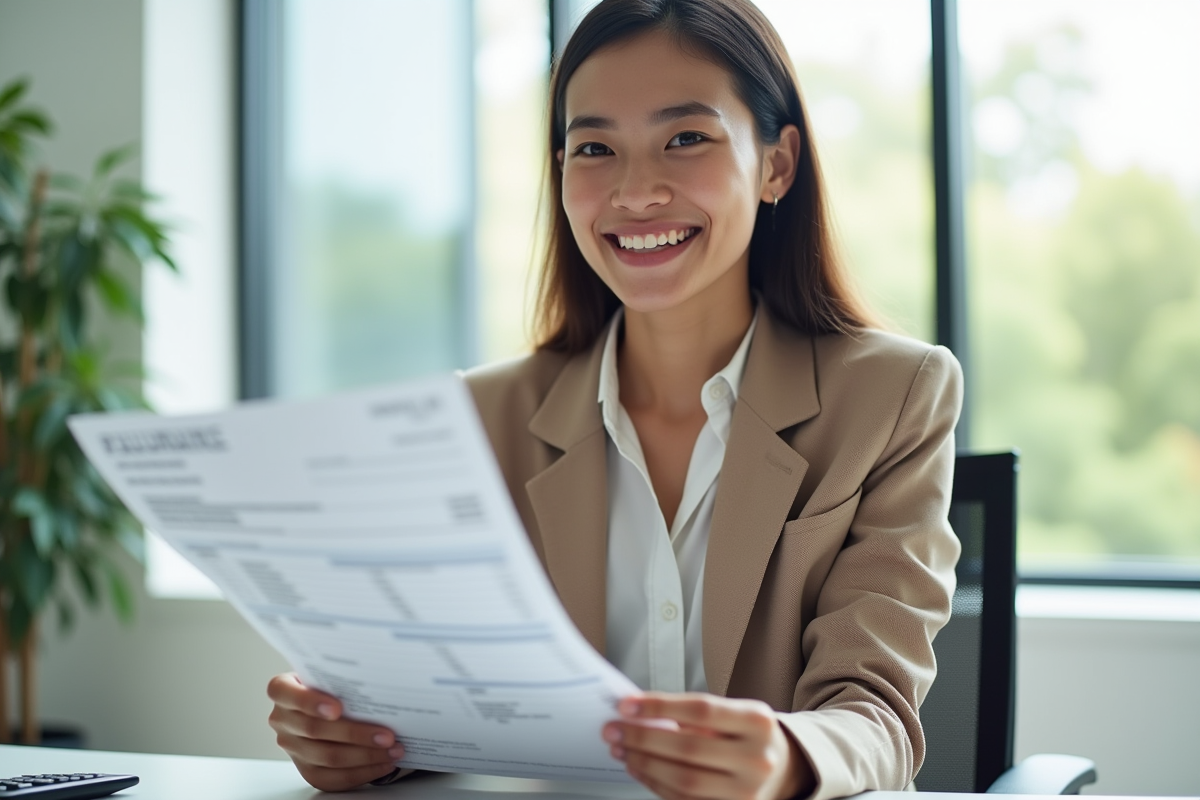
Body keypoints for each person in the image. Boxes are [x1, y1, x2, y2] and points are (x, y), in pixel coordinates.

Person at [266, 1, 963, 798]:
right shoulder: (481, 418)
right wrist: (365, 736)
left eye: (686, 138)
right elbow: (446, 701)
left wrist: (782, 757)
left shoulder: (888, 396)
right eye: (594, 147)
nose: (635, 192)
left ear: (777, 164)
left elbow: (873, 716)